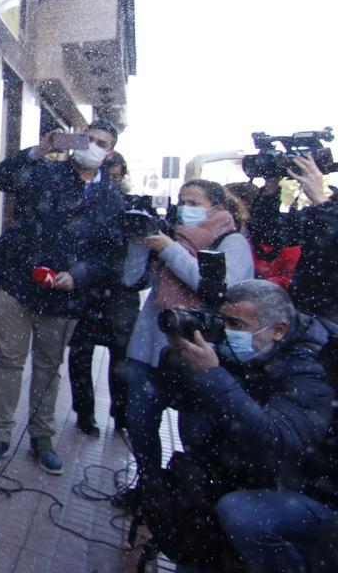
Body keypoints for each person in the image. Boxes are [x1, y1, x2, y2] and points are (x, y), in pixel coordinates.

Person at [140, 280, 333, 570]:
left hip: (299, 491)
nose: (226, 331)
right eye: (223, 320)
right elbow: (180, 401)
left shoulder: (309, 371)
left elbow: (277, 444)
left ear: (278, 330)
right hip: (232, 473)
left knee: (241, 514)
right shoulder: (247, 349)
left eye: (236, 324)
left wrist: (213, 375)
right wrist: (178, 358)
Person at [0, 119, 127, 476]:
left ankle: (42, 438)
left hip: (62, 295)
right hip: (16, 279)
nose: (92, 146)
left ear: (110, 153)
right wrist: (40, 150)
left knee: (48, 366)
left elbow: (110, 254)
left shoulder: (112, 199)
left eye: (101, 143)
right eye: (87, 138)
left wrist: (78, 276)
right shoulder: (45, 170)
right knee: (9, 360)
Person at [120, 178, 254, 504]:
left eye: (195, 202)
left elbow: (219, 290)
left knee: (195, 433)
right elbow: (130, 279)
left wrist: (171, 250)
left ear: (217, 208)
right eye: (183, 201)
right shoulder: (170, 233)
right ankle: (148, 489)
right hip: (151, 348)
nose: (186, 208)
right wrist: (140, 244)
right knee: (139, 424)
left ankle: (188, 499)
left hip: (198, 353)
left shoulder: (230, 242)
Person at [66, 152, 141, 436]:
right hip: (88, 293)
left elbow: (141, 259)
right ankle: (84, 413)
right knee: (80, 355)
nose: (113, 183)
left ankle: (121, 415)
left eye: (118, 177)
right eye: (109, 177)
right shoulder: (85, 206)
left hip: (122, 297)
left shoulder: (131, 208)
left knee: (121, 360)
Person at [247, 155, 338, 318]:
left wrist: (320, 200)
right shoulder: (327, 209)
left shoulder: (326, 208)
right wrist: (271, 189)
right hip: (306, 311)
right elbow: (266, 233)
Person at [225, 180, 302, 291]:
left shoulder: (277, 236)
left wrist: (257, 285)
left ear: (246, 204)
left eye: (229, 204)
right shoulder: (226, 234)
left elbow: (292, 276)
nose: (224, 210)